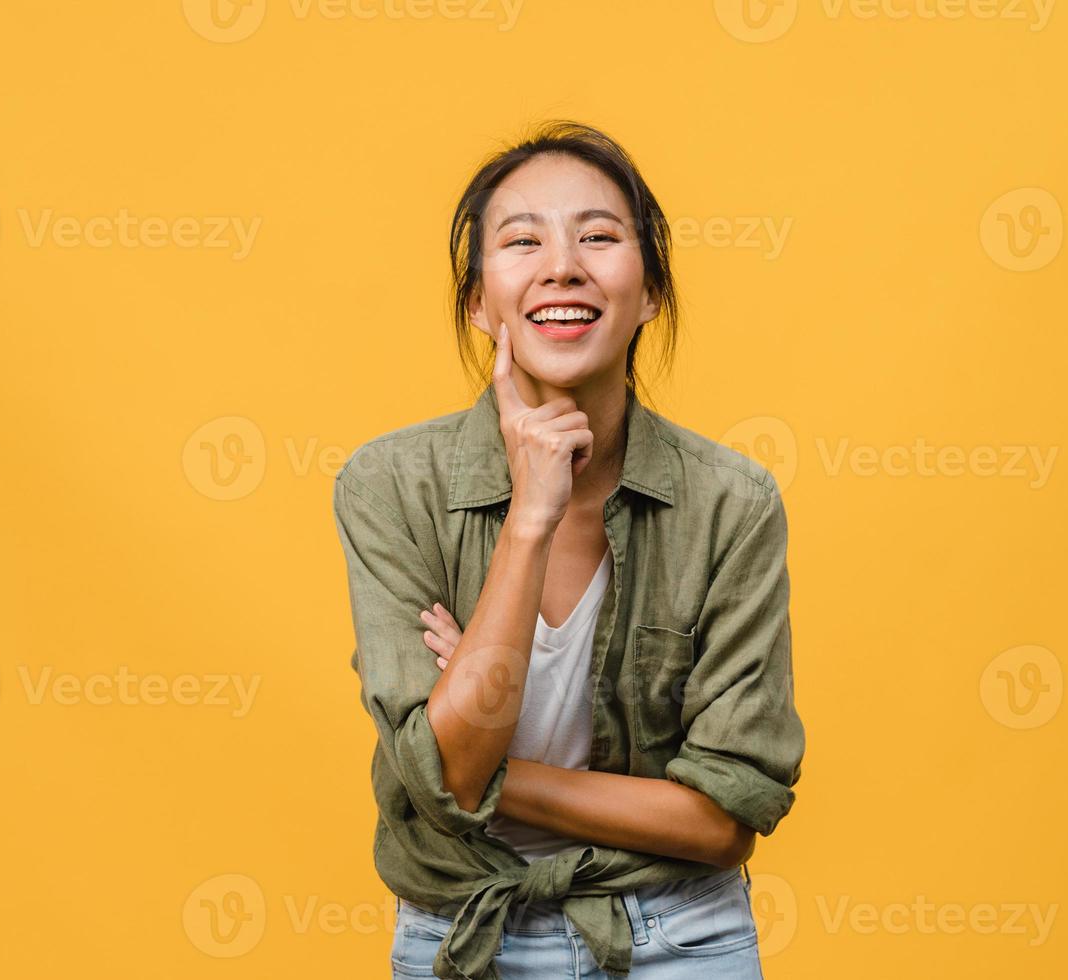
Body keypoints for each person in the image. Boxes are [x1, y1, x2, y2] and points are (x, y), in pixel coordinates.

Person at [332, 120, 805, 979]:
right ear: (480, 301)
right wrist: (530, 520)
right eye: (522, 242)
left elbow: (725, 815)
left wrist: (477, 775)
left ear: (651, 289)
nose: (563, 266)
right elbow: (447, 772)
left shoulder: (733, 502)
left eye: (598, 236)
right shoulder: (389, 485)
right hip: (460, 935)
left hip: (679, 937)